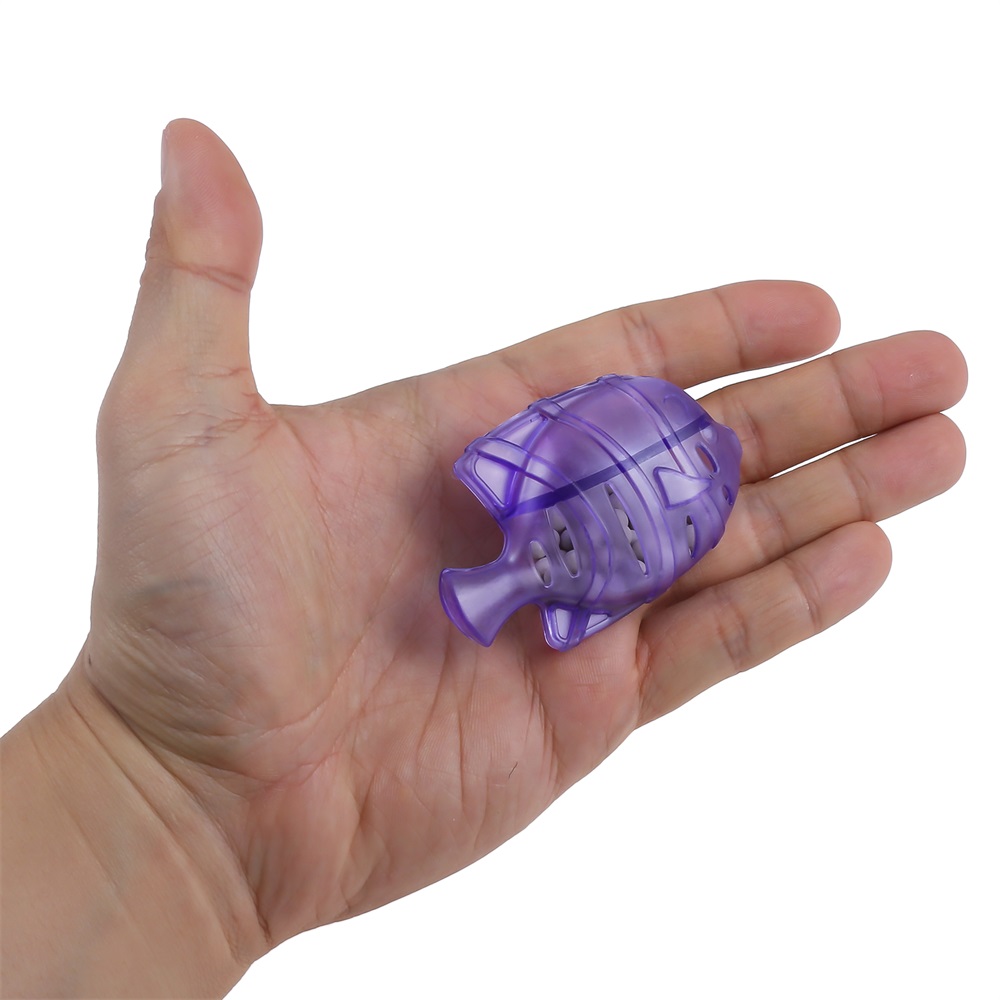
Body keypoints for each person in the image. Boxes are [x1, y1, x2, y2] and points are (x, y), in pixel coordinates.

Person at [0, 119, 968, 999]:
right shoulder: (575, 499)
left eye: (636, 533)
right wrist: (155, 774)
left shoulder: (629, 527)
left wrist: (148, 793)